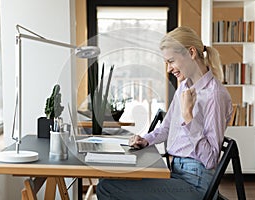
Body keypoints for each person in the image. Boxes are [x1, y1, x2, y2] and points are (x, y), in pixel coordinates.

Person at [96, 26, 233, 200]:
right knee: (108, 177)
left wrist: (188, 117)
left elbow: (211, 159)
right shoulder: (184, 86)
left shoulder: (215, 95)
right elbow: (166, 128)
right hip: (176, 172)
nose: (168, 69)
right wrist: (146, 140)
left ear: (191, 52)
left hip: (196, 185)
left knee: (108, 187)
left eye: (171, 61)